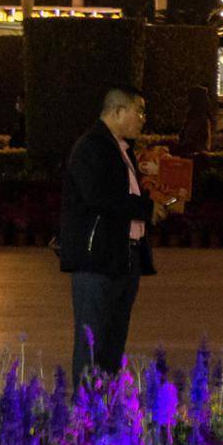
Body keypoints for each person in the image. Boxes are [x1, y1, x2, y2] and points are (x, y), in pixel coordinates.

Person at [56, 85, 158, 386]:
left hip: (123, 257)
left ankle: (107, 406)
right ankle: (85, 414)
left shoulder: (119, 149)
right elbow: (99, 196)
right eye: (138, 111)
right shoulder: (91, 147)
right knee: (92, 341)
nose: (142, 118)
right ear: (117, 111)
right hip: (97, 259)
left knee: (113, 340)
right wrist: (147, 208)